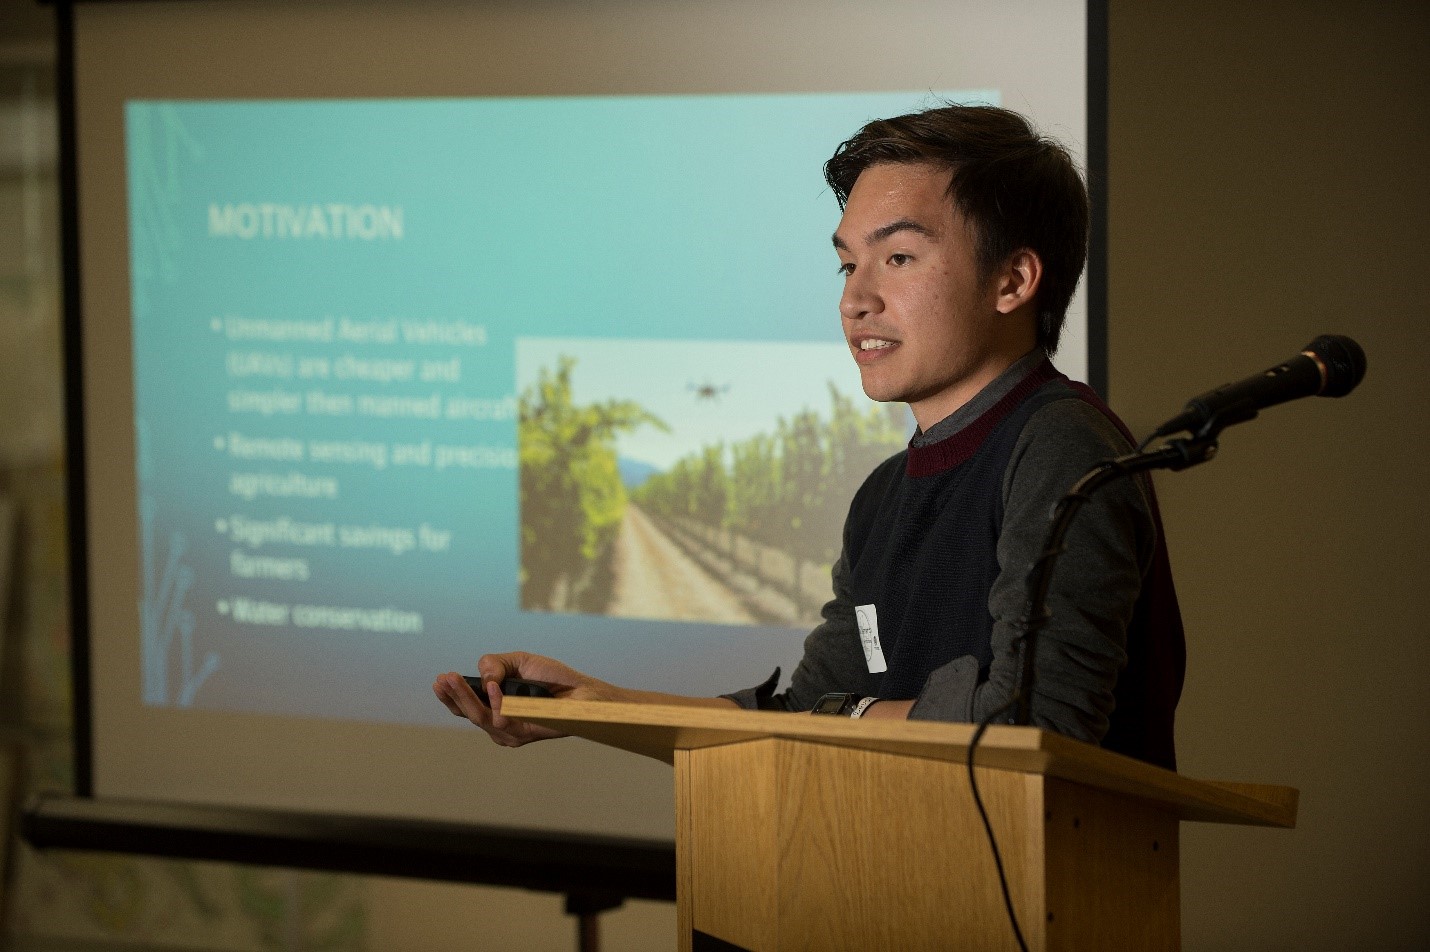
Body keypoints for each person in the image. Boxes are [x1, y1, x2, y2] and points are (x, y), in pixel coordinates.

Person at [434, 104, 1185, 770]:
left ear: (1013, 281)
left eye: (897, 258)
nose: (855, 300)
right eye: (846, 264)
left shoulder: (1061, 446)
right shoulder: (883, 495)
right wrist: (596, 704)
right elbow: (800, 720)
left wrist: (854, 716)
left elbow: (1034, 724)